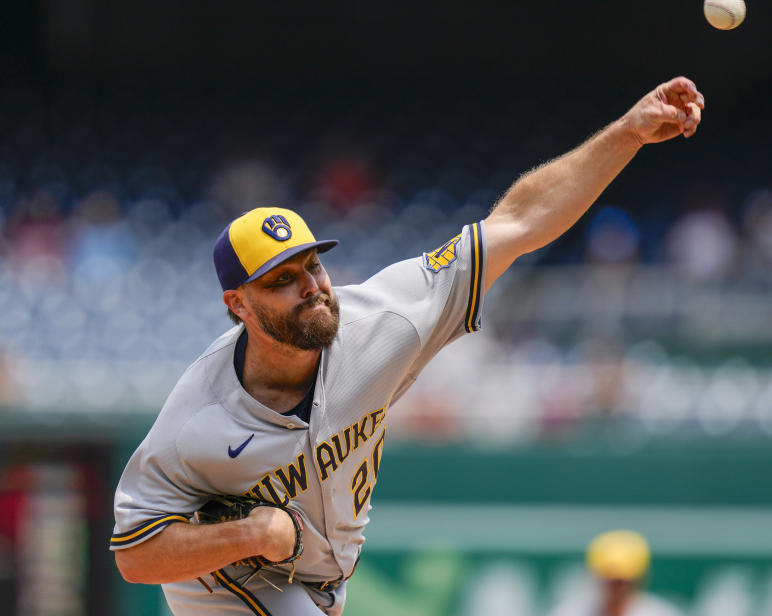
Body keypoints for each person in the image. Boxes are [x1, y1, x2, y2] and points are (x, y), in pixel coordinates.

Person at [109, 77, 705, 615]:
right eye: (281, 281)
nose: (311, 288)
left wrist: (627, 134)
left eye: (312, 266)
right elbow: (134, 556)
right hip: (232, 582)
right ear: (237, 305)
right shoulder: (199, 412)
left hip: (320, 581)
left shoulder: (385, 321)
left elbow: (519, 221)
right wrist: (250, 536)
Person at [550, 530, 684, 616]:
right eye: (611, 581)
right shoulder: (569, 612)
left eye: (624, 581)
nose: (617, 589)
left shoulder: (660, 613)